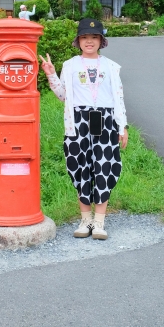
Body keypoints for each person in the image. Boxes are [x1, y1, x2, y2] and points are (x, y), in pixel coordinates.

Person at [39, 17, 128, 240]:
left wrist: (122, 125)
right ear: (78, 41)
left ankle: (99, 222)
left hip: (105, 120)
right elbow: (62, 95)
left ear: (101, 41)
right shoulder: (70, 65)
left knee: (104, 167)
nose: (89, 41)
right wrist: (50, 73)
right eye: (85, 37)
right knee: (79, 167)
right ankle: (85, 219)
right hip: (77, 121)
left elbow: (118, 98)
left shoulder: (111, 66)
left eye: (94, 37)